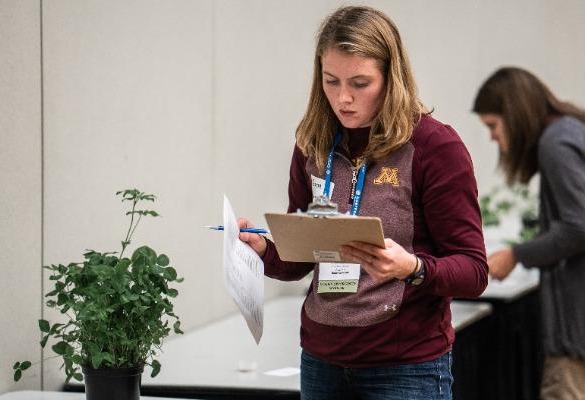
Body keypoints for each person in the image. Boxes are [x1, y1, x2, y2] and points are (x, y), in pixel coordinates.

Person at [239, 6, 488, 399]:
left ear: (392, 78)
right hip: (321, 361)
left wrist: (413, 267)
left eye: (360, 83)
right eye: (331, 80)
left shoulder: (435, 147)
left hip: (405, 367)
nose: (343, 98)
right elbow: (303, 259)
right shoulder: (313, 143)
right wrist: (264, 252)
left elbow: (474, 271)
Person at [473, 67, 585, 400]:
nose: (493, 137)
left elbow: (579, 226)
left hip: (575, 337)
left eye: (493, 125)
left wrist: (516, 254)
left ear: (517, 115)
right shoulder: (571, 130)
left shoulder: (556, 142)